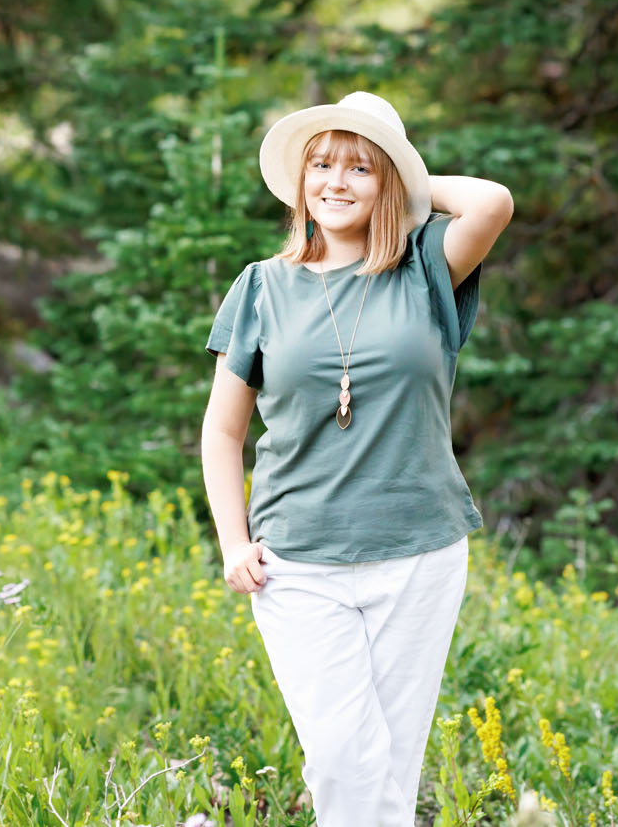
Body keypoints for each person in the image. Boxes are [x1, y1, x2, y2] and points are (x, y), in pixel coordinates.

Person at [200, 90, 514, 827]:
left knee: (392, 765)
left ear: (390, 185)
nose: (336, 182)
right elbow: (222, 431)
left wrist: (409, 179)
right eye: (322, 164)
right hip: (297, 561)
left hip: (419, 555)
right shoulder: (262, 286)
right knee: (344, 757)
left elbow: (492, 202)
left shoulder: (427, 270)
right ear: (301, 180)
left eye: (360, 168)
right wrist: (231, 539)